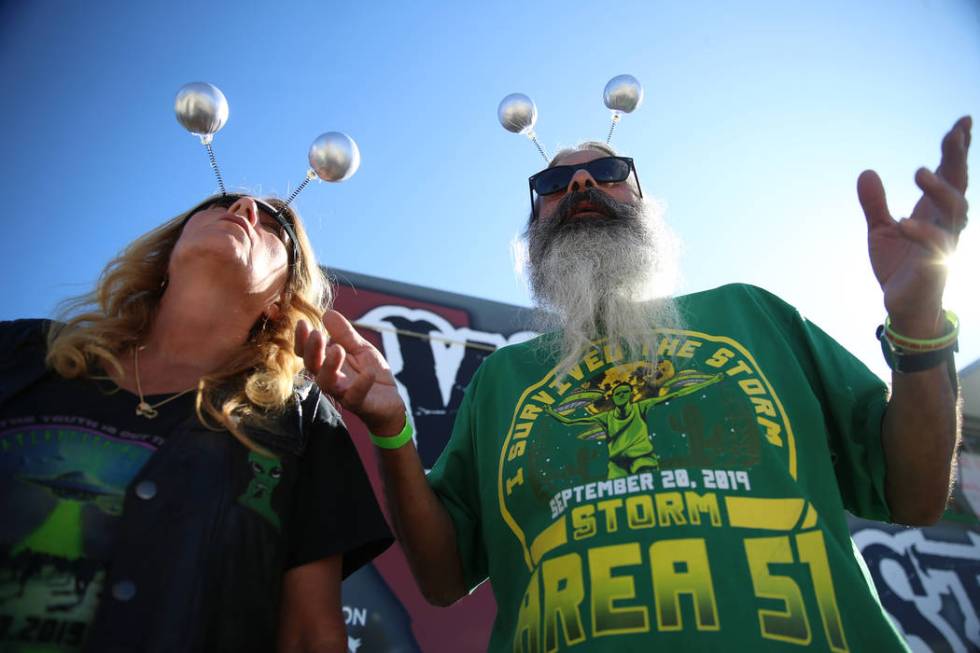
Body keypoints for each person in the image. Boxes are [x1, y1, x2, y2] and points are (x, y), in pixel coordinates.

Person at [297, 117, 971, 651]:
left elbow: (914, 494)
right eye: (553, 185)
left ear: (645, 204)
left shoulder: (752, 313)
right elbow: (443, 580)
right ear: (531, 232)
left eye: (607, 172)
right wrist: (392, 431)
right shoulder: (505, 378)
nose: (581, 187)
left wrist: (918, 330)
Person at [0, 193, 392, 653]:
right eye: (220, 203)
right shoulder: (23, 352)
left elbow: (311, 636)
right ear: (169, 252)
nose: (244, 207)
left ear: (279, 300)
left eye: (275, 225)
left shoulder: (298, 419)